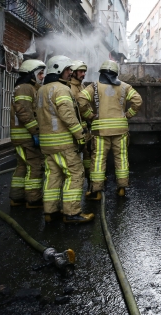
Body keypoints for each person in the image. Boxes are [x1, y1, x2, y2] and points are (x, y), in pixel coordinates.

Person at [36, 55, 94, 224]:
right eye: (68, 70)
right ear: (59, 70)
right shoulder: (62, 89)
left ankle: (50, 212)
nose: (70, 73)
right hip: (63, 142)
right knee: (75, 173)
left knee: (53, 175)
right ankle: (71, 213)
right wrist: (81, 136)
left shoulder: (41, 89)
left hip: (47, 143)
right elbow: (68, 116)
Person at [78, 60, 142, 198]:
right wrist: (128, 114)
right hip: (121, 130)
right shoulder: (125, 86)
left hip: (100, 131)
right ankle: (121, 188)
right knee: (121, 158)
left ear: (101, 72)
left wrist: (89, 115)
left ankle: (96, 191)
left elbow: (81, 99)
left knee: (99, 159)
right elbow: (138, 100)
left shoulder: (94, 87)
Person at [9, 59, 46, 208]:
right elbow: (23, 111)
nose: (43, 76)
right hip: (27, 136)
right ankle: (33, 199)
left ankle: (17, 197)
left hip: (21, 136)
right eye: (40, 73)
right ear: (31, 74)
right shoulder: (25, 88)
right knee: (35, 166)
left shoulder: (26, 87)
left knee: (22, 166)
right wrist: (36, 132)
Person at [69, 60, 92, 181]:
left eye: (84, 72)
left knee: (88, 154)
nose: (83, 74)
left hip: (84, 128)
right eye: (81, 71)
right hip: (76, 130)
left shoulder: (80, 86)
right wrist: (91, 116)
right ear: (73, 72)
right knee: (75, 158)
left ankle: (89, 177)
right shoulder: (70, 88)